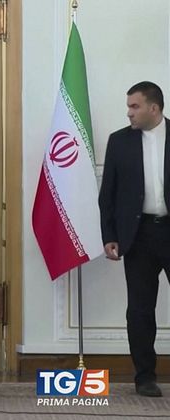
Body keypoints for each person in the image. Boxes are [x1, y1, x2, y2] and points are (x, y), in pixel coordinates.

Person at [99, 81, 169, 398]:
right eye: (128, 106)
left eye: (135, 106)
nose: (129, 112)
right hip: (138, 236)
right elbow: (108, 195)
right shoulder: (119, 141)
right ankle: (144, 377)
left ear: (154, 108)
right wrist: (110, 235)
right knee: (140, 310)